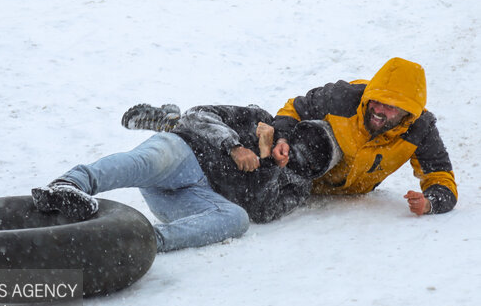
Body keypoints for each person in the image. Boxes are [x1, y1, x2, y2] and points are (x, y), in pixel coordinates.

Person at [32, 104, 340, 252]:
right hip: (185, 153)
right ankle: (70, 183)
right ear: (293, 134)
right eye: (292, 148)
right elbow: (199, 115)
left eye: (304, 163)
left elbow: (259, 210)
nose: (291, 156)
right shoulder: (259, 118)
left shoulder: (295, 190)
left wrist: (269, 164)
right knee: (147, 160)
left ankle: (141, 241)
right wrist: (233, 146)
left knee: (237, 220)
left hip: (194, 198)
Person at [265, 57, 457, 215]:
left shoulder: (420, 129)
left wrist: (429, 204)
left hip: (337, 194)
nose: (379, 111)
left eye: (390, 107)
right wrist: (281, 139)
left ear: (407, 113)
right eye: (377, 102)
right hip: (295, 168)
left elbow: (441, 176)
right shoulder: (342, 97)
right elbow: (294, 109)